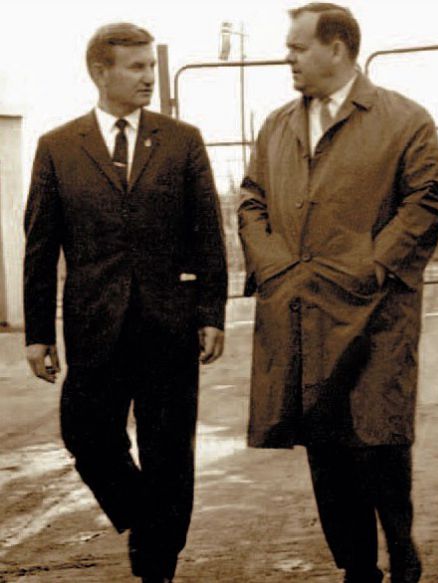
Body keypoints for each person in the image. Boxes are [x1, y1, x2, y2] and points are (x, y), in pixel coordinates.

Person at [238, 3, 438, 581]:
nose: (288, 57)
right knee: (325, 448)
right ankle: (357, 569)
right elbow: (252, 199)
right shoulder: (278, 125)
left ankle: (400, 545)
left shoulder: (404, 120)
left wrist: (374, 266)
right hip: (302, 309)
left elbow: (426, 200)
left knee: (379, 436)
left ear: (336, 48)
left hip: (376, 312)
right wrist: (273, 265)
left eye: (298, 47)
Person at [23, 22, 228, 582]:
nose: (148, 78)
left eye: (151, 67)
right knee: (86, 437)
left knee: (170, 452)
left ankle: (157, 569)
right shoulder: (58, 147)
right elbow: (40, 246)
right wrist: (37, 334)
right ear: (100, 72)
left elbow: (207, 234)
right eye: (136, 67)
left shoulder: (182, 141)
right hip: (95, 326)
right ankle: (146, 517)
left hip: (169, 323)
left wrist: (211, 313)